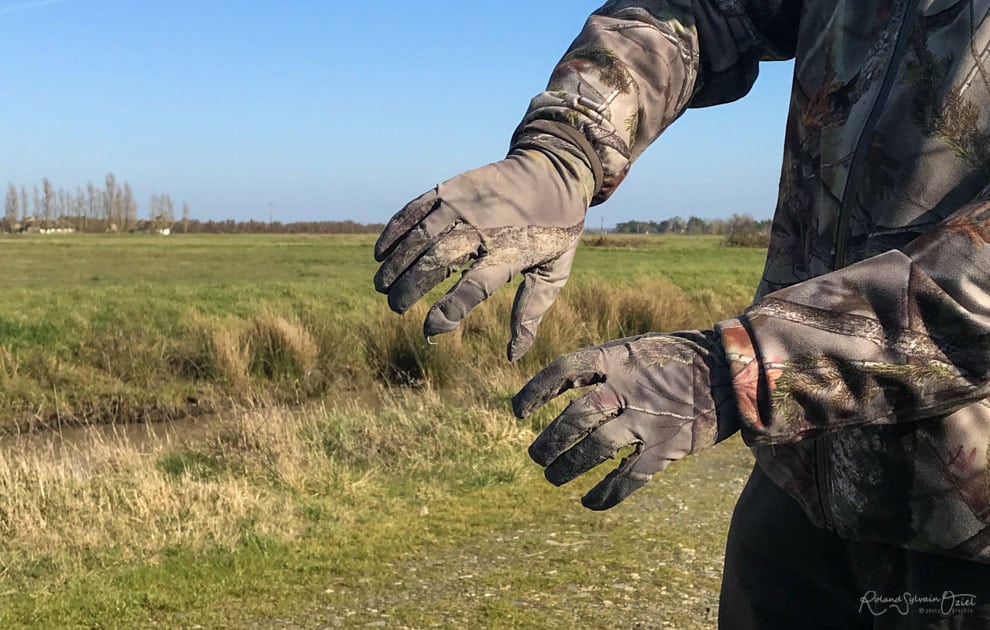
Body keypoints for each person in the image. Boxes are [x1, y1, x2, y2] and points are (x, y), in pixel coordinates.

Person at [374, 2, 990, 627]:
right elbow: (701, 11)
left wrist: (739, 368)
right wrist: (566, 151)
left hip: (970, 545)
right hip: (797, 496)